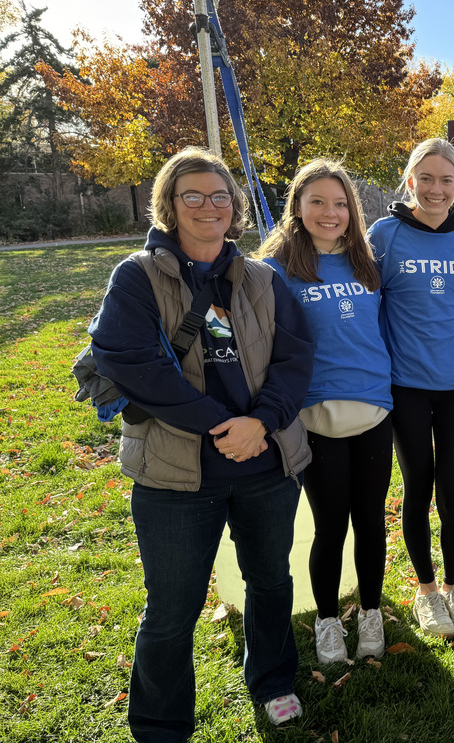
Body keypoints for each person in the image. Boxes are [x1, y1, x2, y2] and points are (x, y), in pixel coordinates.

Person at [89, 147, 315, 739]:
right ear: (168, 205)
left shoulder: (262, 278)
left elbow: (296, 359)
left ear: (234, 208)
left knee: (271, 584)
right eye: (192, 195)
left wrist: (260, 423)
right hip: (176, 476)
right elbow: (136, 365)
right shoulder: (136, 278)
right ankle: (162, 725)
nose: (208, 206)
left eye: (219, 195)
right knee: (172, 608)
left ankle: (273, 683)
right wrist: (224, 427)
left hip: (265, 466)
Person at [257, 159, 393, 664]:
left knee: (372, 521)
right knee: (331, 523)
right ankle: (328, 619)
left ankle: (373, 611)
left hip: (376, 410)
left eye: (340, 203)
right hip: (315, 416)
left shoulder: (367, 263)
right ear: (297, 205)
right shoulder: (274, 270)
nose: (329, 212)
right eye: (317, 201)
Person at [366, 138, 454, 637]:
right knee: (418, 487)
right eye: (427, 178)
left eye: (447, 179)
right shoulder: (383, 234)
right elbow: (367, 306)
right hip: (406, 387)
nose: (437, 189)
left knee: (452, 489)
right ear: (410, 179)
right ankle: (426, 589)